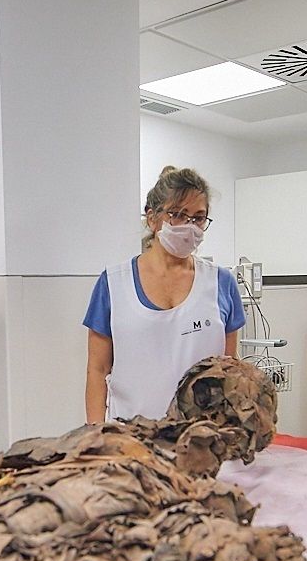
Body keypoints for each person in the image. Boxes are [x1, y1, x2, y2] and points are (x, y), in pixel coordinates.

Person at [84, 167, 246, 423]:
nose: (189, 226)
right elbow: (97, 369)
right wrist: (95, 436)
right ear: (152, 218)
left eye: (198, 218)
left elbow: (228, 368)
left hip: (202, 437)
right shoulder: (114, 284)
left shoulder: (220, 282)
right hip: (132, 436)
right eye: (178, 215)